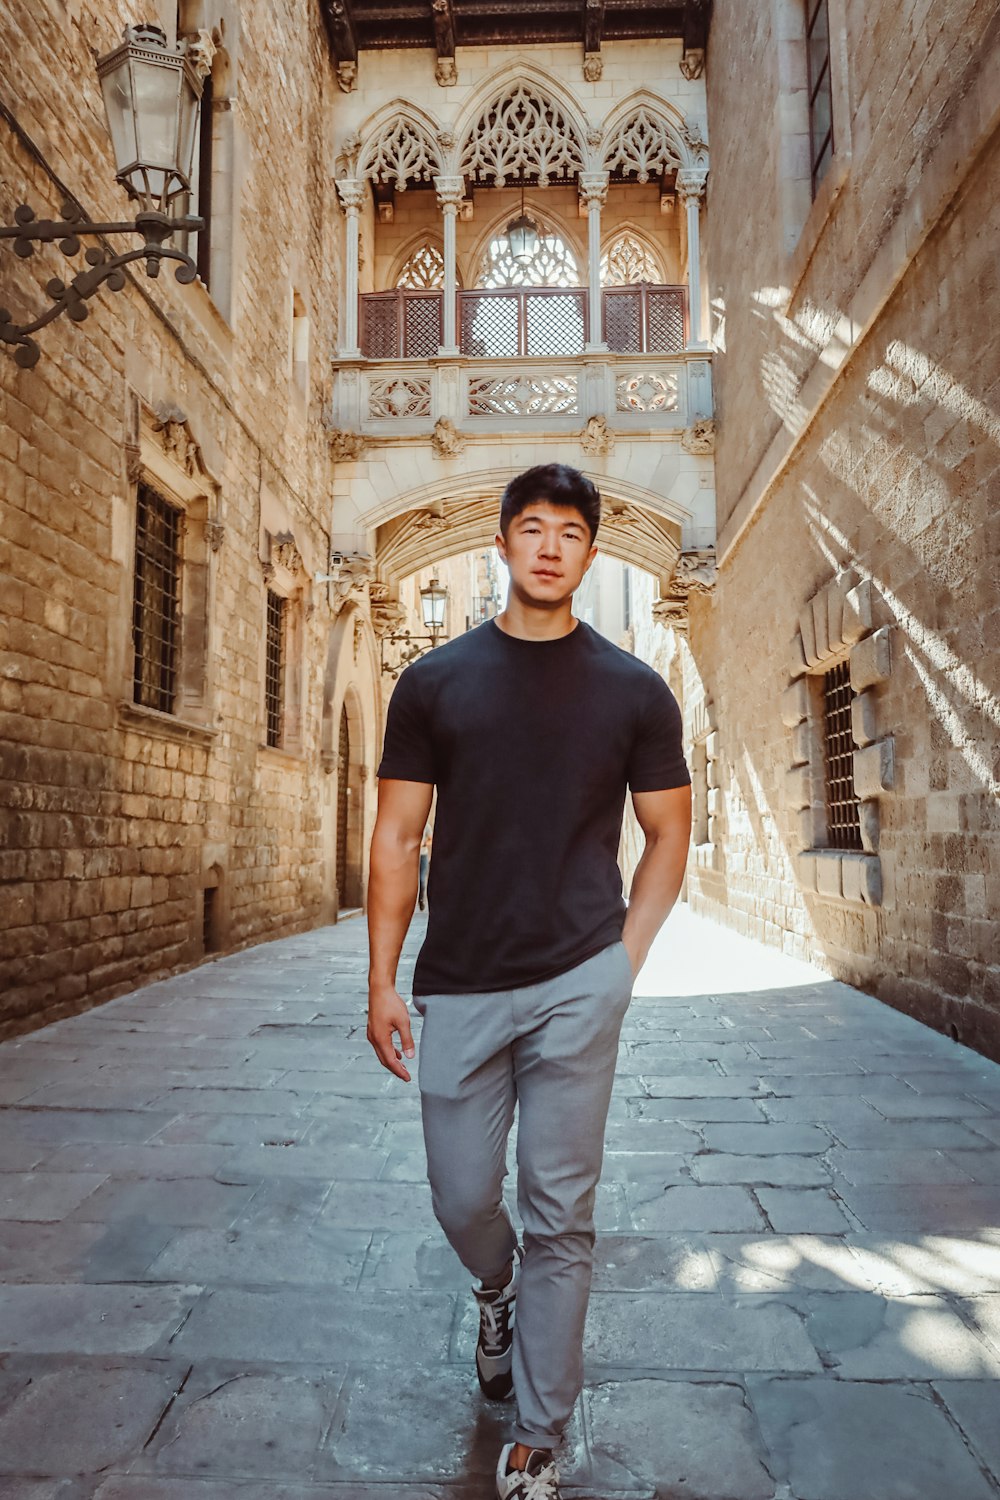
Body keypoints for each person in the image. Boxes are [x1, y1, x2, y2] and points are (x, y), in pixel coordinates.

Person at [366, 463, 692, 1500]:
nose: (550, 546)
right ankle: (492, 1291)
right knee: (463, 1197)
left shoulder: (635, 690)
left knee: (561, 1210)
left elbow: (668, 832)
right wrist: (380, 978)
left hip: (574, 986)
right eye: (532, 528)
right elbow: (395, 834)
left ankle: (538, 1434)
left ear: (590, 553)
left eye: (570, 532)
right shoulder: (432, 683)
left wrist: (621, 963)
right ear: (503, 542)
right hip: (458, 982)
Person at [418, 824, 432, 911]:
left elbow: (431, 839)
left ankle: (421, 898)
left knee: (422, 879)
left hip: (423, 855)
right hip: (412, 856)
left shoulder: (426, 826)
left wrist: (424, 843)